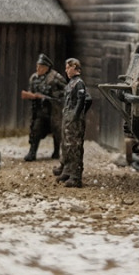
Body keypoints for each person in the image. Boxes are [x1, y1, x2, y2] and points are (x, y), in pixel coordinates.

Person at [20, 53, 66, 162]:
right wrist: (33, 96)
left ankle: (56, 151)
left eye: (40, 67)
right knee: (35, 129)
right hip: (40, 110)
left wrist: (53, 95)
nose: (38, 69)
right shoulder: (34, 78)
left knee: (56, 130)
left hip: (53, 109)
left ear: (46, 68)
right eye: (37, 66)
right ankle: (32, 152)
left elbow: (66, 90)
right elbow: (30, 90)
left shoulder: (55, 77)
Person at [54, 57, 92, 188]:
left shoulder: (79, 83)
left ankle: (75, 176)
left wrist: (77, 114)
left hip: (74, 120)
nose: (66, 70)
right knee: (66, 144)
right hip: (68, 118)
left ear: (75, 68)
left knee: (74, 146)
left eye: (68, 67)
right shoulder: (70, 83)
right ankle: (67, 170)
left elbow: (85, 100)